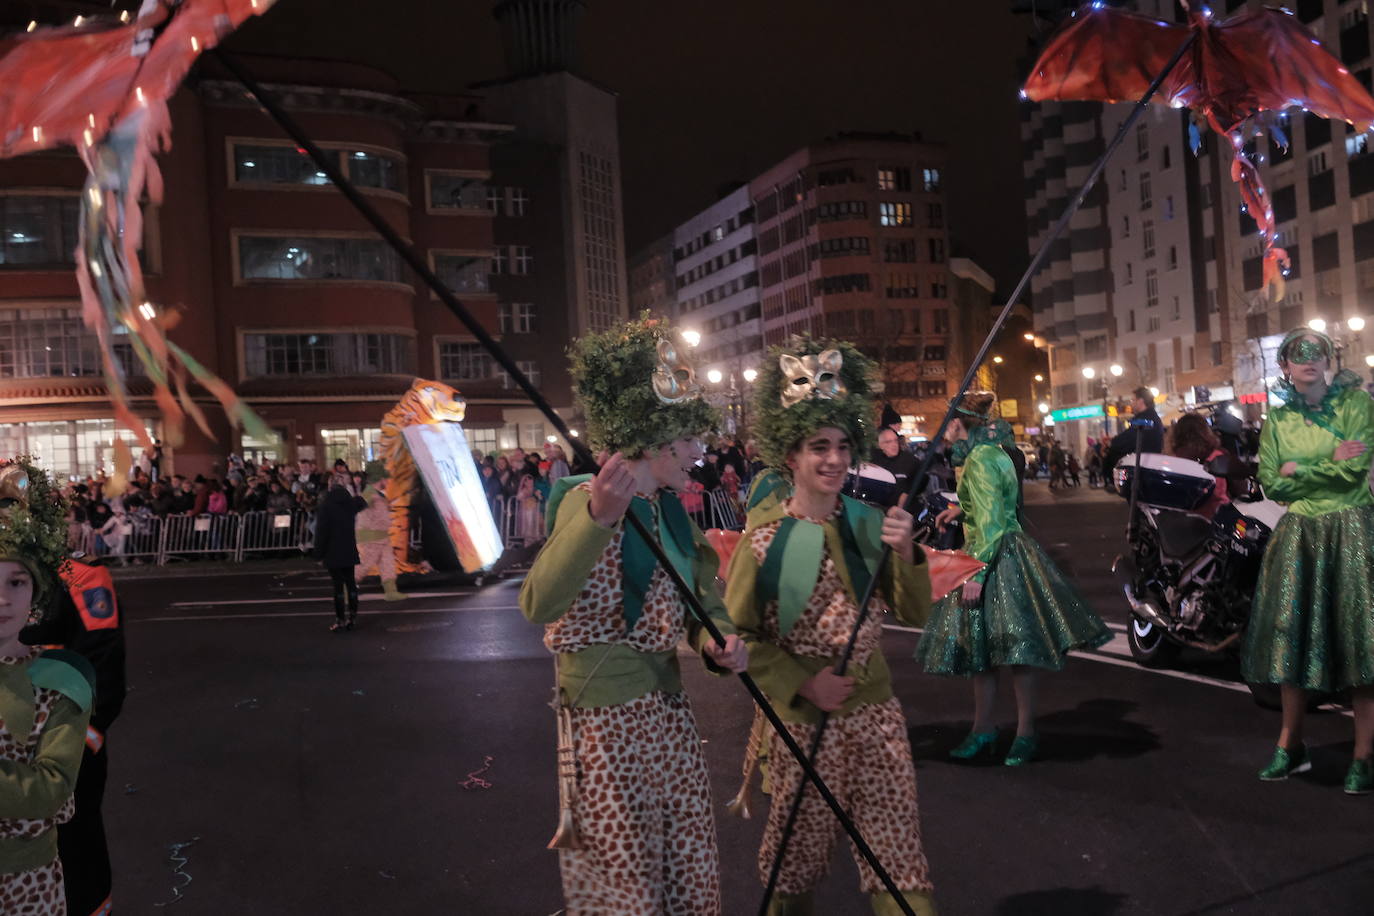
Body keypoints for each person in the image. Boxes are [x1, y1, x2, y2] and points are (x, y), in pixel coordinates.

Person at [518, 317, 746, 915]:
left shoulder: (672, 512)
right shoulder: (581, 500)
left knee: (689, 877)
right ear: (655, 434)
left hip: (669, 717)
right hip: (603, 726)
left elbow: (702, 605)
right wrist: (598, 517)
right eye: (691, 438)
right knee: (625, 891)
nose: (701, 452)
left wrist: (721, 643)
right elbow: (538, 603)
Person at [726, 339, 936, 916]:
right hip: (801, 729)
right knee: (793, 868)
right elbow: (739, 639)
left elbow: (915, 615)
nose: (835, 459)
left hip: (878, 720)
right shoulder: (762, 541)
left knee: (899, 863)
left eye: (843, 446)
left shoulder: (872, 524)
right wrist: (802, 682)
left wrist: (908, 553)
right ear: (790, 456)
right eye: (819, 446)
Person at [916, 392, 1110, 765]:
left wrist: (976, 572)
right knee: (1000, 651)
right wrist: (960, 510)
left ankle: (1013, 733)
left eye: (947, 423)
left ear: (959, 424)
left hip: (992, 557)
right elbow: (1000, 505)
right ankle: (998, 731)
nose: (942, 430)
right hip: (1008, 551)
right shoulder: (995, 452)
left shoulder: (978, 459)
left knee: (997, 653)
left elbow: (992, 524)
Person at [1240, 328, 1374, 794]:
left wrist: (1301, 470)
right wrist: (1318, 468)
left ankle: (1364, 754)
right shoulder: (1277, 420)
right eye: (1299, 355)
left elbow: (1355, 469)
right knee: (1292, 640)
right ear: (1286, 367)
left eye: (1318, 353)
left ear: (1329, 360)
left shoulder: (1357, 405)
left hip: (1351, 530)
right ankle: (1290, 744)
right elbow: (1272, 484)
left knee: (1360, 642)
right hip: (1299, 536)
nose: (1310, 361)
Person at [0, 458, 97, 914]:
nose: (2, 598)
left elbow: (52, 789)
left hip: (26, 883)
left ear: (34, 593)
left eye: (16, 582)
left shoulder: (59, 681)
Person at [22, 556, 126, 916]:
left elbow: (102, 674)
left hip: (61, 755)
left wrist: (61, 750)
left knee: (74, 860)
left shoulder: (79, 576)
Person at [315, 484, 367, 632]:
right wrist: (352, 493)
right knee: (351, 584)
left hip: (332, 552)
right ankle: (353, 617)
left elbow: (321, 533)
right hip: (349, 550)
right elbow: (362, 502)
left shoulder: (326, 507)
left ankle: (340, 619)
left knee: (338, 586)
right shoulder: (350, 505)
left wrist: (319, 554)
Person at [1166, 413, 1235, 519]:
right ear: (1205, 431)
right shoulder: (1217, 456)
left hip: (1184, 523)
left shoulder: (1175, 460)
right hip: (1218, 518)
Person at [355, 465, 403, 603]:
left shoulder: (377, 495)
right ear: (379, 479)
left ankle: (391, 591)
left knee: (387, 564)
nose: (388, 482)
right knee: (364, 566)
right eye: (385, 479)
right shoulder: (369, 494)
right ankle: (345, 590)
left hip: (381, 536)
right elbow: (358, 508)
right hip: (371, 537)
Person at [1103, 387, 1165, 484]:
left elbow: (1127, 440)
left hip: (1141, 471)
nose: (1131, 403)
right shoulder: (1149, 417)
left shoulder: (1144, 420)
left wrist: (1111, 443)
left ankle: (1120, 484)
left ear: (1140, 401)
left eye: (1133, 400)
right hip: (1145, 467)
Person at [871, 425, 919, 505]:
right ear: (880, 445)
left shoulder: (910, 460)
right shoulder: (873, 460)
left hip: (904, 510)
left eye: (895, 441)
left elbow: (920, 481)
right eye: (888, 442)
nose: (894, 445)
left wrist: (907, 493)